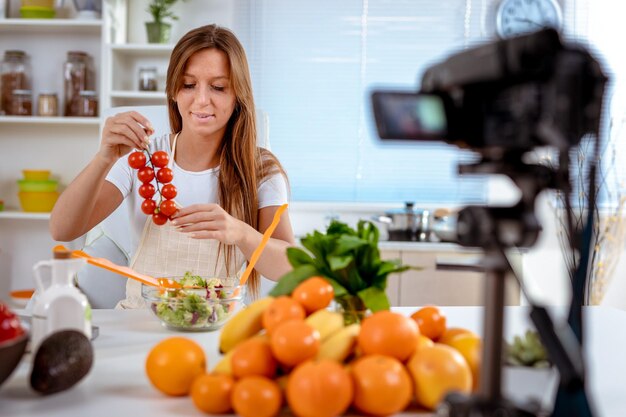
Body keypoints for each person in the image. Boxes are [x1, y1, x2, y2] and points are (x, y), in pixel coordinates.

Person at [50, 24, 295, 308]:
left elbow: (289, 266)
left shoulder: (261, 169)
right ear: (173, 91)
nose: (202, 100)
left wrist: (240, 233)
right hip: (141, 319)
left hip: (215, 325)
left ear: (237, 95)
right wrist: (104, 157)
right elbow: (62, 229)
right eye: (189, 85)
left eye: (218, 87)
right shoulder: (142, 155)